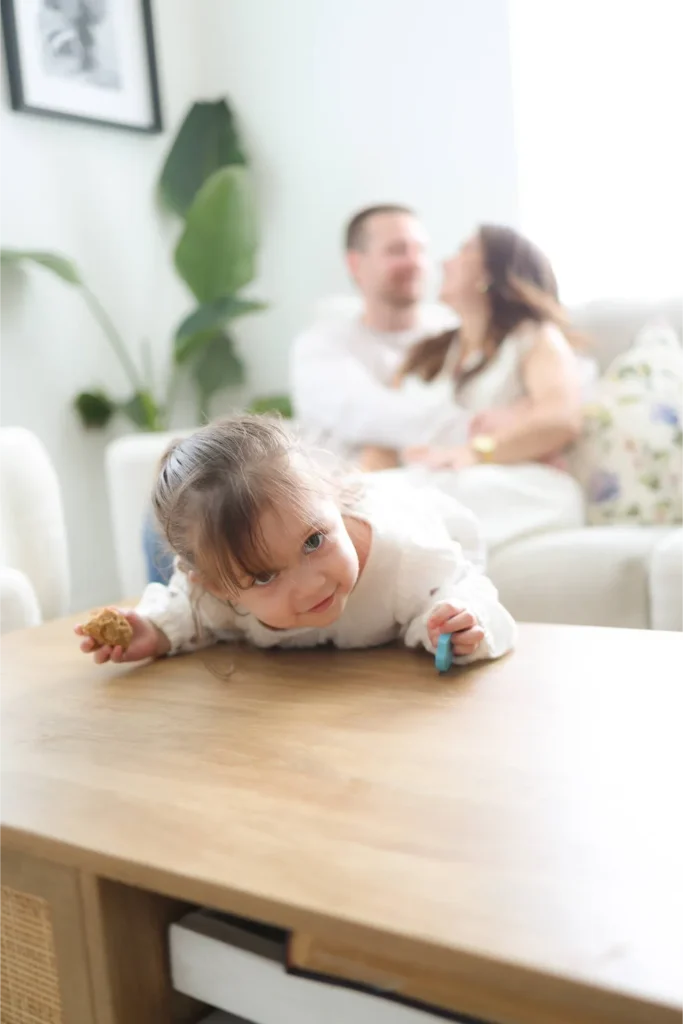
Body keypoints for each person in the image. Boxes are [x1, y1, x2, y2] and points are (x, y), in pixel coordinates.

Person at [75, 416, 515, 666]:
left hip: (425, 513)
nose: (311, 585)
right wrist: (154, 631)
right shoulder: (212, 593)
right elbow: (190, 616)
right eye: (264, 576)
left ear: (327, 496)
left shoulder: (405, 559)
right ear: (220, 588)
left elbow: (463, 589)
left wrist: (458, 622)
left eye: (313, 542)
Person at [379, 225, 594, 549]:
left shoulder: (534, 338)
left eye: (464, 250)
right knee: (371, 494)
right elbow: (389, 431)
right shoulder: (428, 354)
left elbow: (560, 420)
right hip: (430, 475)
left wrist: (473, 451)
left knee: (412, 498)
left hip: (510, 482)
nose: (445, 262)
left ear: (491, 273)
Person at [290, 205, 469, 467]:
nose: (414, 262)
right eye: (397, 250)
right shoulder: (320, 347)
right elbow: (373, 418)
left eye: (420, 250)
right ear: (355, 263)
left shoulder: (456, 332)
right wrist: (495, 430)